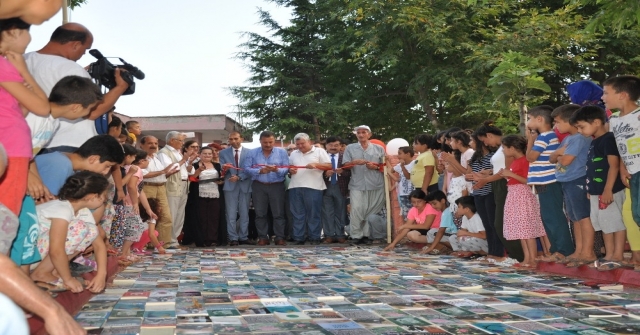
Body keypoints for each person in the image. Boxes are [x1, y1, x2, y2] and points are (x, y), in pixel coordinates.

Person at [25, 23, 129, 153]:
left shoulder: (21, 60)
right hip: (68, 144)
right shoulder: (69, 68)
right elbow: (92, 112)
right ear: (75, 45)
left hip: (32, 142)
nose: (83, 54)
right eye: (85, 49)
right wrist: (120, 87)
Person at [0, 18, 50, 217]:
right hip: (12, 149)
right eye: (28, 31)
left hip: (9, 146)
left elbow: (17, 111)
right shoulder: (4, 66)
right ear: (13, 31)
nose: (30, 38)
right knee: (7, 215)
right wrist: (23, 70)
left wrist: (22, 104)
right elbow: (42, 107)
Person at [30, 171, 109, 294]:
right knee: (79, 228)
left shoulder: (82, 211)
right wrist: (68, 279)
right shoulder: (61, 209)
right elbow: (56, 250)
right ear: (91, 196)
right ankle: (41, 273)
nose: (106, 199)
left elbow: (99, 245)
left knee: (92, 230)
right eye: (104, 196)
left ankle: (54, 272)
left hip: (42, 253)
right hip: (30, 255)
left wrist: (101, 275)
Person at [572, 106, 628, 271]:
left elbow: (614, 166)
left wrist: (608, 189)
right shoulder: (594, 141)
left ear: (596, 122)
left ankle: (617, 255)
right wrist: (591, 190)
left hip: (609, 191)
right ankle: (609, 254)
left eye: (582, 126)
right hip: (597, 192)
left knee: (615, 223)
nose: (580, 131)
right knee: (604, 223)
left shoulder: (608, 139)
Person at [549, 104, 596, 268]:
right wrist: (558, 154)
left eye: (557, 122)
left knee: (583, 217)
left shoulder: (579, 138)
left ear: (570, 120)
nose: (556, 126)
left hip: (578, 180)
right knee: (574, 218)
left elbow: (566, 160)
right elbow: (552, 158)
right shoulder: (568, 139)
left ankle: (588, 252)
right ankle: (579, 250)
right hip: (567, 181)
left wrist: (559, 155)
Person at [526, 105, 575, 261]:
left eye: (530, 118)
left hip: (549, 182)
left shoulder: (545, 136)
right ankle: (556, 250)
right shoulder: (545, 137)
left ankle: (564, 250)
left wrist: (529, 140)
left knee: (554, 217)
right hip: (543, 183)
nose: (528, 121)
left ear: (539, 119)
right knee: (548, 217)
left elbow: (530, 157)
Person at [475, 121, 525, 263]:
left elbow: (508, 172)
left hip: (504, 185)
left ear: (489, 135)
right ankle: (506, 254)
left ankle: (517, 255)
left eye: (484, 140)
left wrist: (487, 179)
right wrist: (488, 173)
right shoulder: (500, 149)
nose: (485, 144)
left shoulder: (506, 148)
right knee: (496, 222)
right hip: (497, 184)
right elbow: (501, 169)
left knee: (500, 223)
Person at [604, 75, 640, 270]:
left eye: (606, 93)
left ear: (623, 95)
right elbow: (620, 146)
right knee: (632, 213)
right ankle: (636, 256)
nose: (603, 97)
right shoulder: (614, 119)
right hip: (631, 172)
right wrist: (624, 168)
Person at [499, 135, 547, 268]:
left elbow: (529, 180)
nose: (503, 150)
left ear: (512, 148)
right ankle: (527, 258)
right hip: (514, 194)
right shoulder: (515, 161)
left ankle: (532, 259)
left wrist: (511, 175)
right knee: (521, 229)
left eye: (504, 148)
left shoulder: (525, 160)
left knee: (527, 229)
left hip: (523, 195)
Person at [35, 135, 124, 197]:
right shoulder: (60, 165)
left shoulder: (66, 163)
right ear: (93, 159)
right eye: (107, 166)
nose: (106, 172)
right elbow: (47, 204)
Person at [244, 131, 290, 246]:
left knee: (278, 213)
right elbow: (246, 169)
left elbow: (286, 169)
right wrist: (260, 171)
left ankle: (279, 237)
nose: (268, 145)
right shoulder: (252, 152)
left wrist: (276, 170)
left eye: (270, 142)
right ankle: (263, 237)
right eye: (265, 142)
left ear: (274, 141)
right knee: (260, 213)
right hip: (259, 185)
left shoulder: (282, 152)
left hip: (277, 185)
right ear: (260, 141)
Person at [343, 125, 386, 245]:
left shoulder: (379, 148)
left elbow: (385, 166)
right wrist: (353, 162)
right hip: (357, 184)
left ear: (369, 134)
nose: (361, 135)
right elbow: (345, 166)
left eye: (364, 132)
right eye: (358, 133)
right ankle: (356, 235)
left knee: (371, 210)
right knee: (356, 209)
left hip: (376, 184)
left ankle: (366, 234)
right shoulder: (350, 148)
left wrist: (376, 167)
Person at [288, 133, 332, 245]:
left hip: (314, 187)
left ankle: (314, 237)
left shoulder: (319, 151)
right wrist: (290, 171)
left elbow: (329, 166)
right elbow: (289, 168)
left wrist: (316, 165)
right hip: (295, 186)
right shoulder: (293, 153)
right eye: (298, 144)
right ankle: (299, 237)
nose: (300, 146)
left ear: (309, 142)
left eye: (303, 143)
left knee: (314, 213)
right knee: (297, 214)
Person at [467, 132, 503, 260]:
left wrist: (484, 176)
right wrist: (471, 175)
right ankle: (491, 252)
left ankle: (498, 252)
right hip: (477, 193)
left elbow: (498, 172)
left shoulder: (493, 156)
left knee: (494, 223)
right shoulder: (474, 158)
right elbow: (468, 175)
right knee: (486, 224)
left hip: (489, 192)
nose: (470, 143)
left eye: (472, 140)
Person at [158, 131, 196, 249]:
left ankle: (175, 241)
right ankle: (168, 241)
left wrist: (189, 163)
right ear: (171, 141)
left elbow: (190, 172)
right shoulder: (164, 152)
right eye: (180, 140)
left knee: (180, 215)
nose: (182, 143)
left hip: (184, 185)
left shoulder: (178, 153)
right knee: (172, 214)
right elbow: (170, 168)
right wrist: (184, 159)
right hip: (173, 185)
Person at [140, 135, 178, 246]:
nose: (153, 146)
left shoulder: (156, 157)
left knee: (165, 216)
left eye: (156, 144)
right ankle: (144, 244)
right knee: (146, 216)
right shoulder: (140, 158)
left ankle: (163, 244)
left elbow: (160, 173)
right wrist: (162, 172)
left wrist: (167, 173)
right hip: (147, 187)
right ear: (142, 145)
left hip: (161, 187)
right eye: (150, 143)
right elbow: (142, 174)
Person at [120, 149, 156, 263]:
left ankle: (127, 253)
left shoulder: (127, 168)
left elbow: (140, 191)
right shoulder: (137, 170)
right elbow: (131, 187)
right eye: (148, 159)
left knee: (130, 227)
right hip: (129, 204)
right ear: (141, 161)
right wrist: (135, 203)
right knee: (136, 228)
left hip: (127, 203)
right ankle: (123, 254)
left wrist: (148, 209)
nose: (148, 162)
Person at [219, 131, 253, 246]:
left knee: (244, 212)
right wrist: (224, 168)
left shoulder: (250, 152)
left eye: (236, 139)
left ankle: (244, 236)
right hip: (230, 185)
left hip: (245, 184)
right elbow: (221, 170)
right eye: (231, 139)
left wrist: (239, 177)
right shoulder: (223, 153)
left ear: (241, 139)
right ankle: (233, 237)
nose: (233, 141)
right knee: (230, 213)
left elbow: (251, 169)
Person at [190, 146, 224, 247]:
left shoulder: (217, 165)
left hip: (215, 194)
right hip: (199, 194)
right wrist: (199, 170)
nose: (207, 155)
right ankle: (202, 239)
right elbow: (191, 178)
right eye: (205, 153)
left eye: (209, 153)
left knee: (214, 217)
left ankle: (213, 239)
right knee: (202, 217)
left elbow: (221, 178)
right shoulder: (195, 165)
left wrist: (221, 181)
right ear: (200, 154)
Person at [322, 136, 351, 243]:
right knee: (327, 212)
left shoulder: (345, 157)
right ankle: (329, 235)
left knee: (341, 211)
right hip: (326, 186)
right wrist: (325, 174)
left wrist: (342, 172)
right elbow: (315, 172)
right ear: (326, 146)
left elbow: (351, 172)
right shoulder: (322, 157)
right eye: (330, 145)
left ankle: (340, 234)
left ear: (341, 146)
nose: (333, 147)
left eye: (336, 145)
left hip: (341, 186)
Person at [421, 190, 457, 255]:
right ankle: (437, 246)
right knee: (432, 232)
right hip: (450, 234)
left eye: (434, 203)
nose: (433, 206)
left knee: (434, 234)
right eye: (431, 204)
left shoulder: (446, 213)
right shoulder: (446, 211)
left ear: (443, 201)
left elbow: (441, 231)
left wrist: (431, 248)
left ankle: (441, 247)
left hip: (453, 235)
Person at [388, 146, 415, 220]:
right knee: (406, 216)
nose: (398, 156)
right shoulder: (399, 165)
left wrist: (402, 166)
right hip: (403, 194)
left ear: (408, 154)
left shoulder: (414, 164)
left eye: (400, 154)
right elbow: (391, 170)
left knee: (414, 215)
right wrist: (387, 161)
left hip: (412, 193)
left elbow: (408, 177)